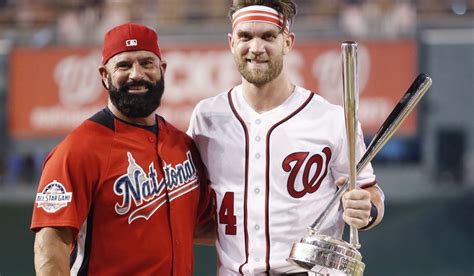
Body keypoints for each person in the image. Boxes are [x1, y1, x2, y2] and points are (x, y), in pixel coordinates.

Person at [187, 1, 385, 275]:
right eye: (246, 36)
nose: (256, 48)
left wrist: (367, 211)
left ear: (287, 42)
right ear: (232, 43)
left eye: (268, 36)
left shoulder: (331, 119)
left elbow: (371, 194)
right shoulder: (206, 117)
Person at [31, 22, 212, 276]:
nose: (136, 74)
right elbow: (51, 243)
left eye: (146, 63)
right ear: (105, 75)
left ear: (162, 69)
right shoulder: (78, 150)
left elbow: (199, 226)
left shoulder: (182, 145)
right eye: (124, 65)